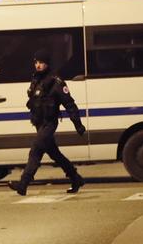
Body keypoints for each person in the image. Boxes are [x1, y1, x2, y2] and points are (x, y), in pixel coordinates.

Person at [7, 49, 87, 196]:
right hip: (39, 123)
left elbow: (69, 104)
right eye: (36, 62)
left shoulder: (56, 82)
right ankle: (76, 178)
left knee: (36, 150)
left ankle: (23, 184)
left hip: (49, 124)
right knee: (55, 154)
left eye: (41, 62)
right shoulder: (36, 79)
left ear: (47, 64)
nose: (38, 65)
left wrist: (78, 125)